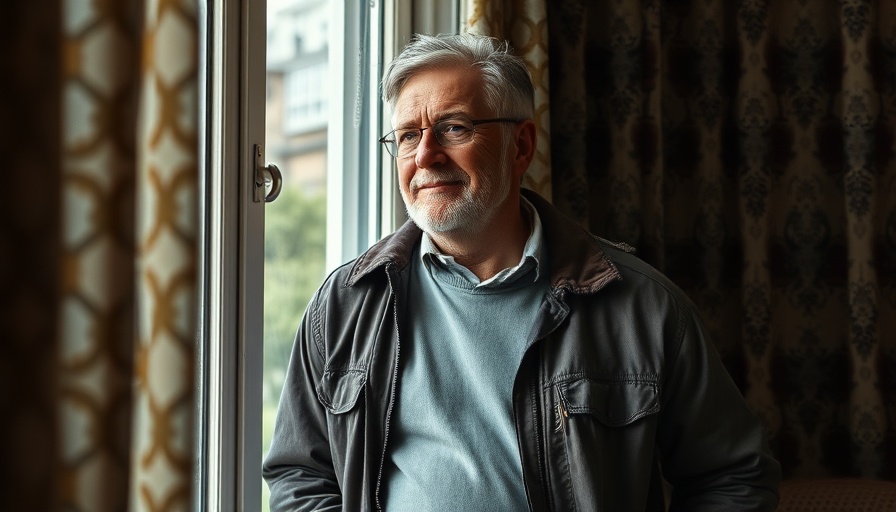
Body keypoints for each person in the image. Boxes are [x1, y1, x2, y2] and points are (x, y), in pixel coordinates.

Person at [262, 32, 781, 511]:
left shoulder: (640, 305)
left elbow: (735, 477)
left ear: (522, 147)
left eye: (453, 128)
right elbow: (299, 474)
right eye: (406, 136)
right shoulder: (346, 303)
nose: (425, 155)